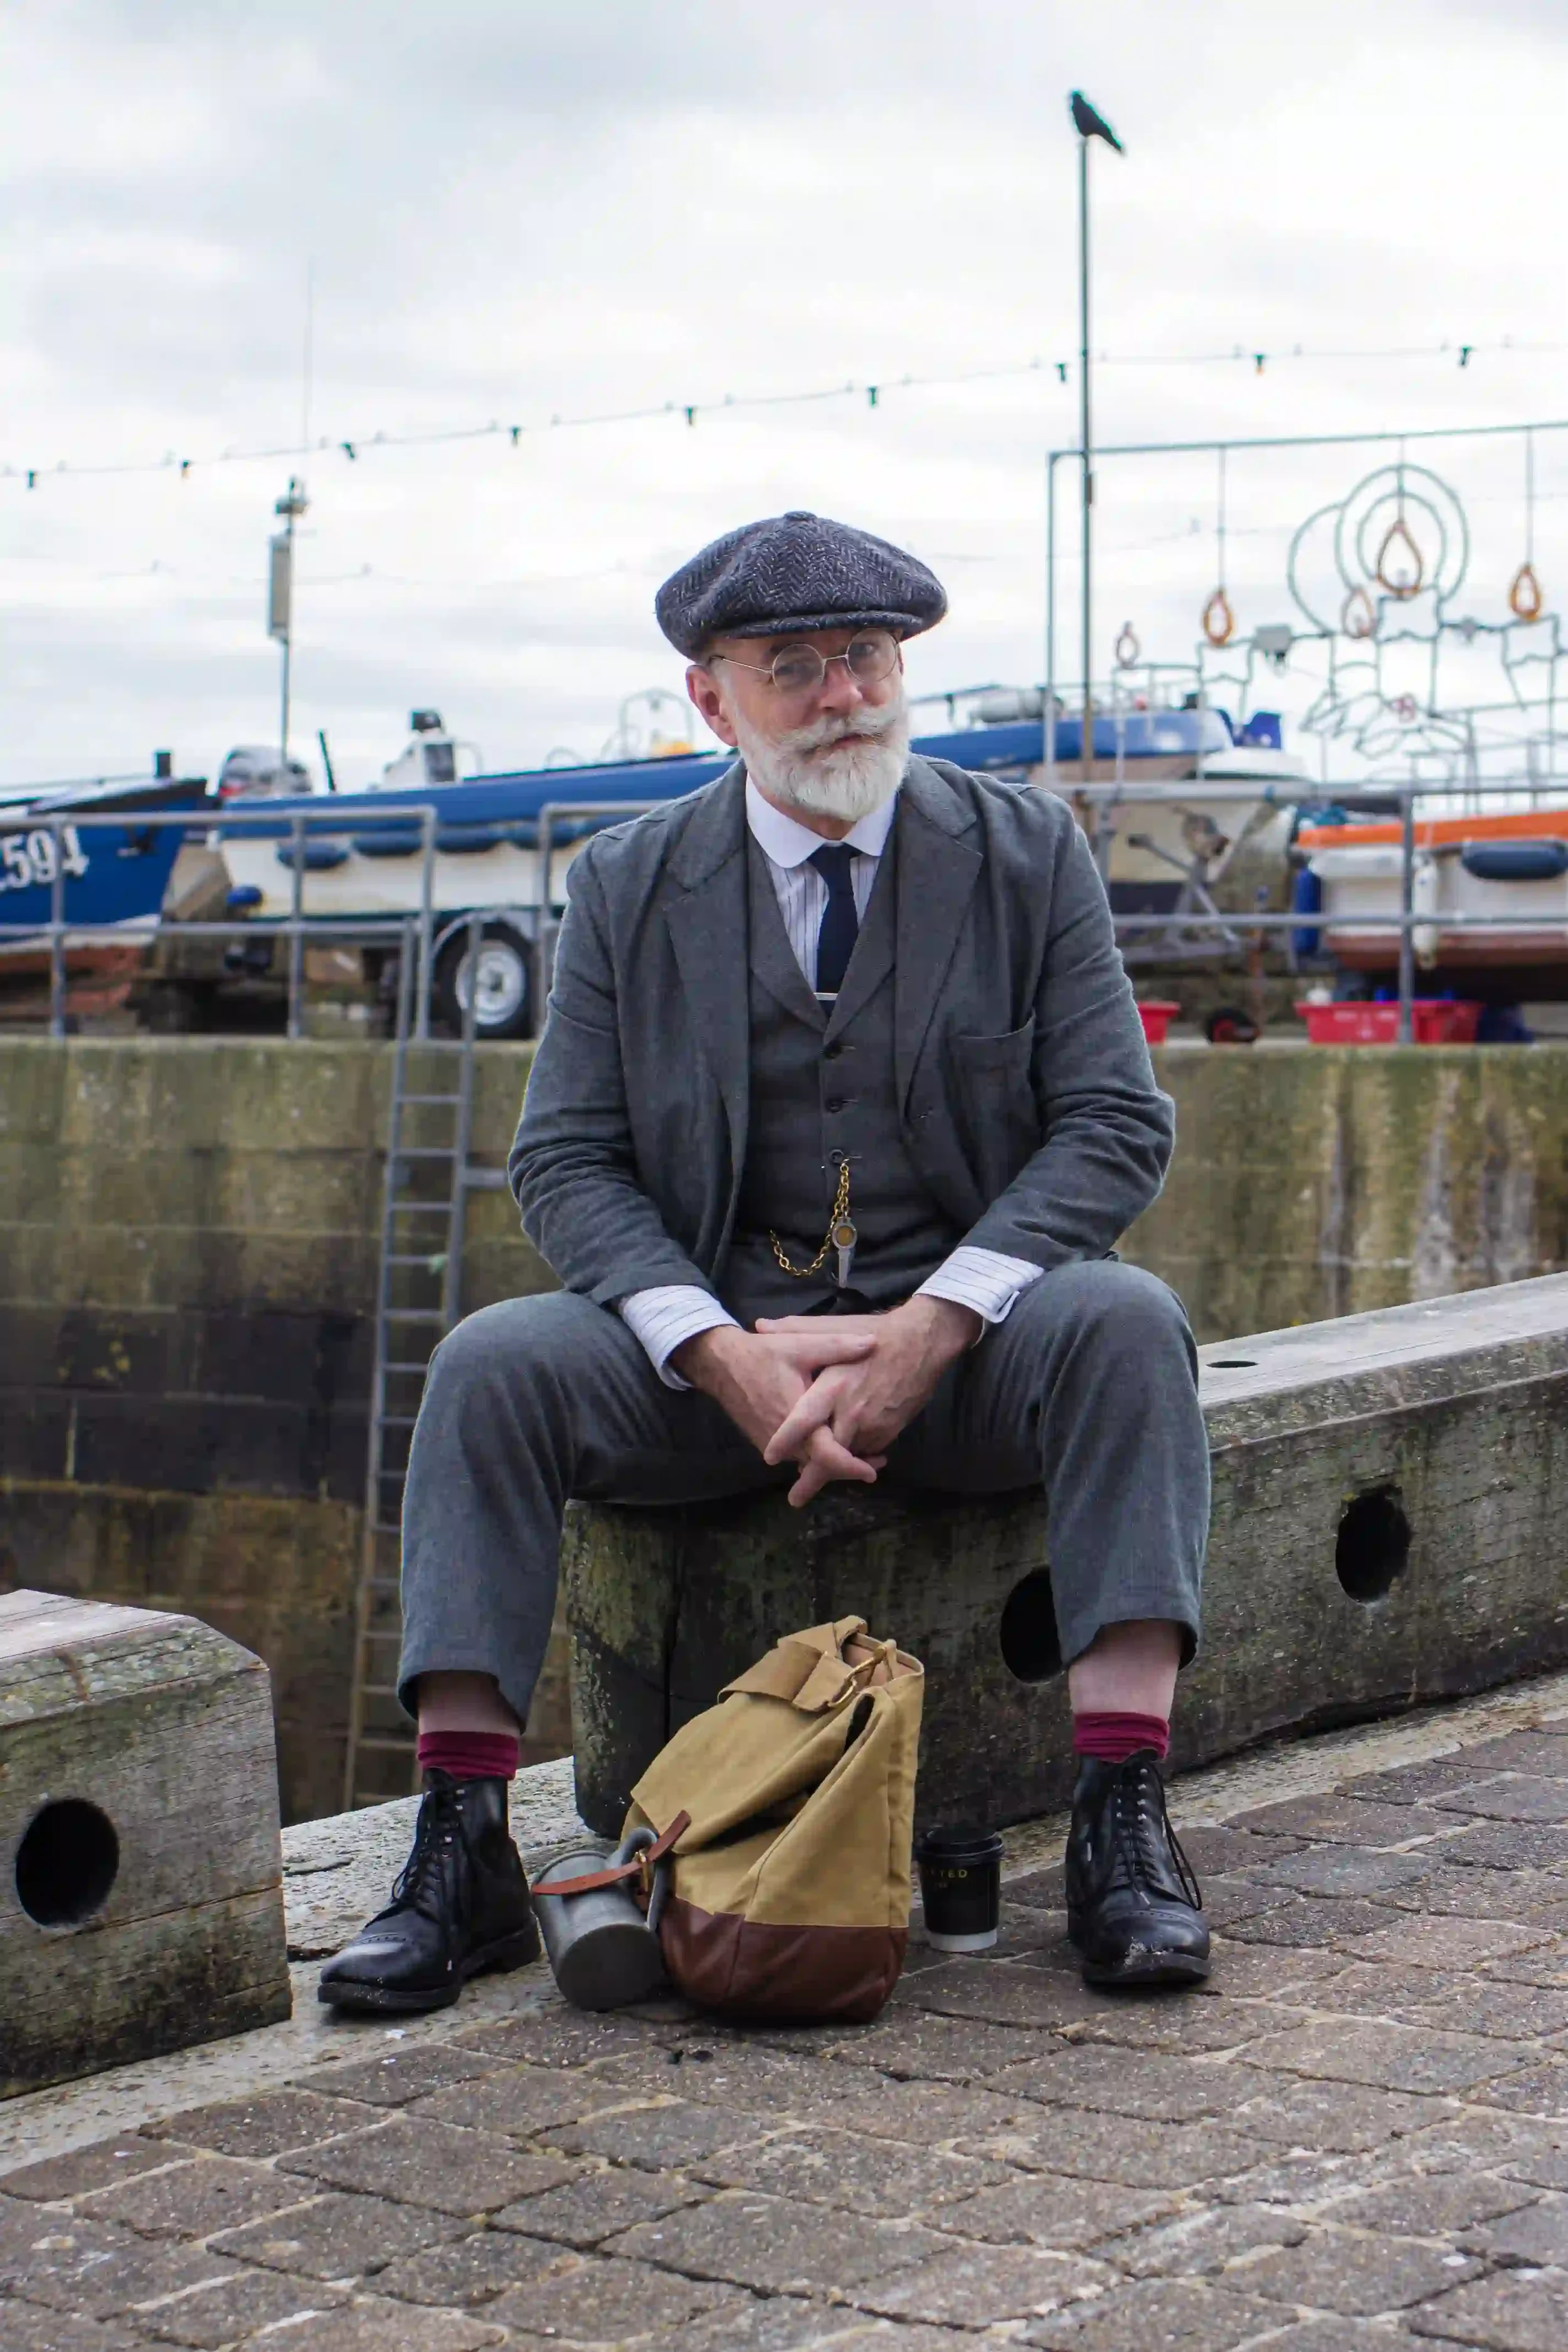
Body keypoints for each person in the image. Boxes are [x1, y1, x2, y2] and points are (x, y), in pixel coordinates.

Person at [320, 510, 1211, 2016]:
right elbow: (565, 1159)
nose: (839, 696)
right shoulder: (627, 884)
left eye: (863, 658)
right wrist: (714, 1347)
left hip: (965, 1365)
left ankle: (1121, 1821)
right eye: (788, 668)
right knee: (489, 1365)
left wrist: (933, 1324)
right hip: (711, 1367)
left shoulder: (1022, 852)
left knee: (1130, 1326)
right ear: (711, 698)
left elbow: (1117, 1125)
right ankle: (460, 1843)